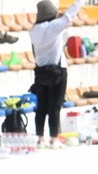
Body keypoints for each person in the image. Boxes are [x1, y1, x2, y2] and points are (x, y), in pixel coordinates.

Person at [29, 0, 82, 148]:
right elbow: (70, 14)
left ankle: (40, 138)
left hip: (41, 72)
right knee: (55, 106)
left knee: (41, 106)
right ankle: (53, 138)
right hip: (58, 71)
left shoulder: (33, 31)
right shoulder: (53, 27)